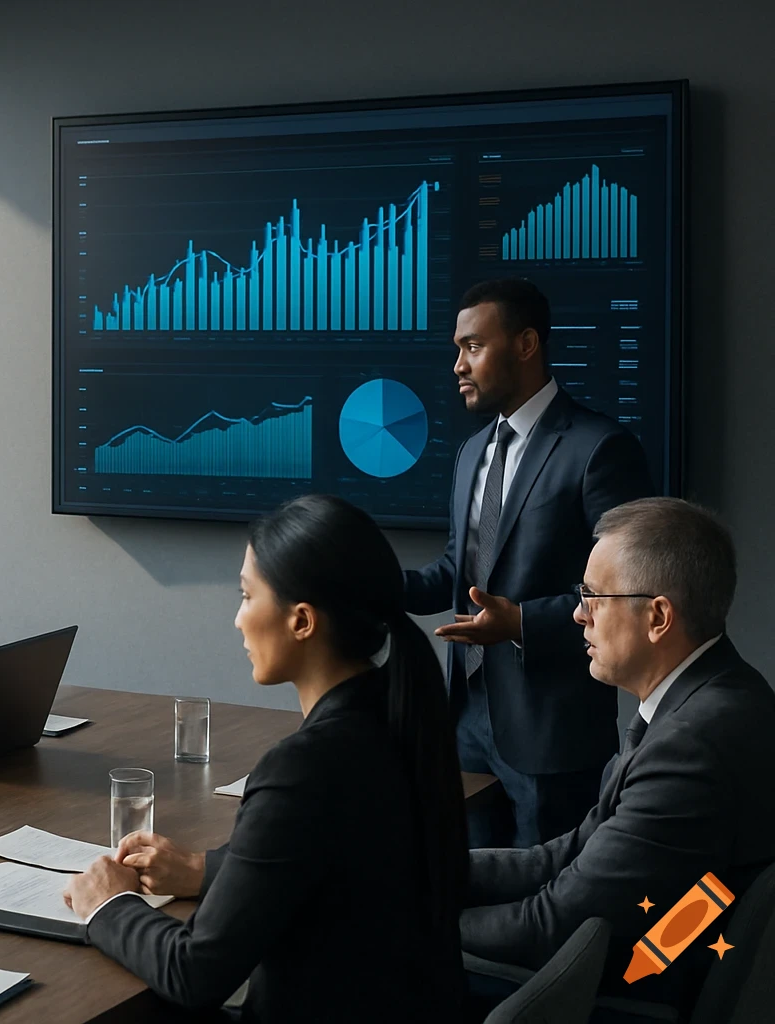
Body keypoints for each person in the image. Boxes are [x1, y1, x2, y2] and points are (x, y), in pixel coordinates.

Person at [62, 495, 468, 1023]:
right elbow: (325, 865)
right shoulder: (397, 722)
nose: (237, 620)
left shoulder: (305, 768)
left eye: (247, 596)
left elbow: (196, 974)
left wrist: (109, 906)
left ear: (301, 621)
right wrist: (203, 870)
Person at [461, 498, 775, 1016]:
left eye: (593, 596)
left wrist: (410, 913)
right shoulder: (715, 694)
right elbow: (568, 856)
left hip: (638, 986)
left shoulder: (692, 743)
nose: (577, 613)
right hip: (666, 955)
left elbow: (550, 926)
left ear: (657, 617)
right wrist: (430, 867)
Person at [406, 279, 654, 849]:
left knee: (548, 915)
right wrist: (366, 584)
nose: (458, 366)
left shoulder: (600, 449)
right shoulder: (472, 453)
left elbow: (632, 591)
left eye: (473, 347)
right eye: (457, 349)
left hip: (552, 735)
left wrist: (518, 623)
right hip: (464, 720)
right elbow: (458, 571)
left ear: (525, 345)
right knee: (465, 892)